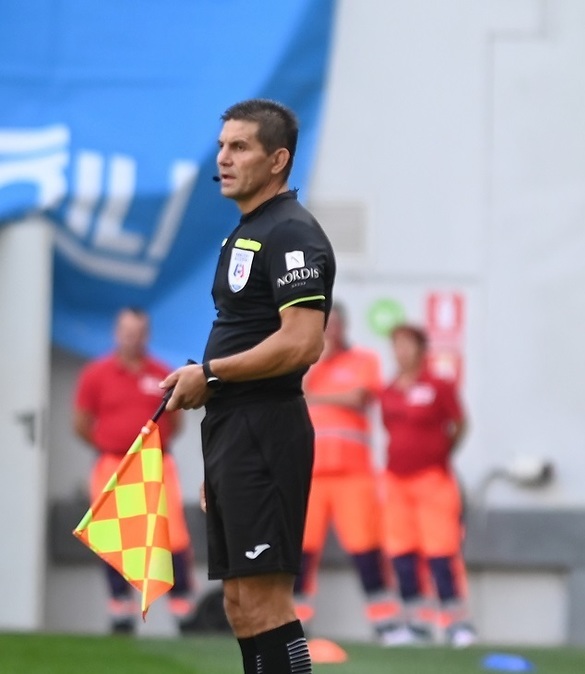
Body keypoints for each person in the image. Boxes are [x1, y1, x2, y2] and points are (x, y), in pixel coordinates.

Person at [161, 98, 335, 674]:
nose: (224, 159)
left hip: (267, 431)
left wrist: (209, 374)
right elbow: (246, 336)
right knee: (239, 604)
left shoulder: (292, 233)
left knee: (265, 603)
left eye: (240, 147)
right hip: (234, 432)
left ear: (278, 160)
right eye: (221, 147)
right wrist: (208, 379)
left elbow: (301, 343)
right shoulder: (249, 230)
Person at [74, 307, 197, 635]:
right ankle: (120, 612)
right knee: (114, 537)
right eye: (127, 331)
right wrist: (112, 444)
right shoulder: (96, 374)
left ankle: (184, 610)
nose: (132, 338)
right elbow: (81, 423)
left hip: (155, 464)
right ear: (117, 333)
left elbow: (176, 420)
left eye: (138, 332)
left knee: (171, 534)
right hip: (112, 463)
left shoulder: (161, 373)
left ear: (147, 334)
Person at [293, 303, 406, 644]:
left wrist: (316, 394)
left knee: (366, 546)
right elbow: (295, 395)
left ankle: (385, 621)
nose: (332, 331)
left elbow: (359, 396)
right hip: (310, 474)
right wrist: (317, 364)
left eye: (337, 324)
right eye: (326, 325)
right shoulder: (303, 361)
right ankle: (296, 623)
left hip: (353, 474)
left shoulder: (364, 360)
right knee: (301, 551)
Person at [378, 323, 476, 647]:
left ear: (421, 348)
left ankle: (455, 624)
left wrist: (440, 451)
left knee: (440, 552)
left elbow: (460, 424)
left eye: (407, 344)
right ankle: (415, 624)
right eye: (396, 345)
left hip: (432, 479)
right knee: (402, 551)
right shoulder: (389, 389)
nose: (401, 351)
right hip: (395, 480)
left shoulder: (438, 384)